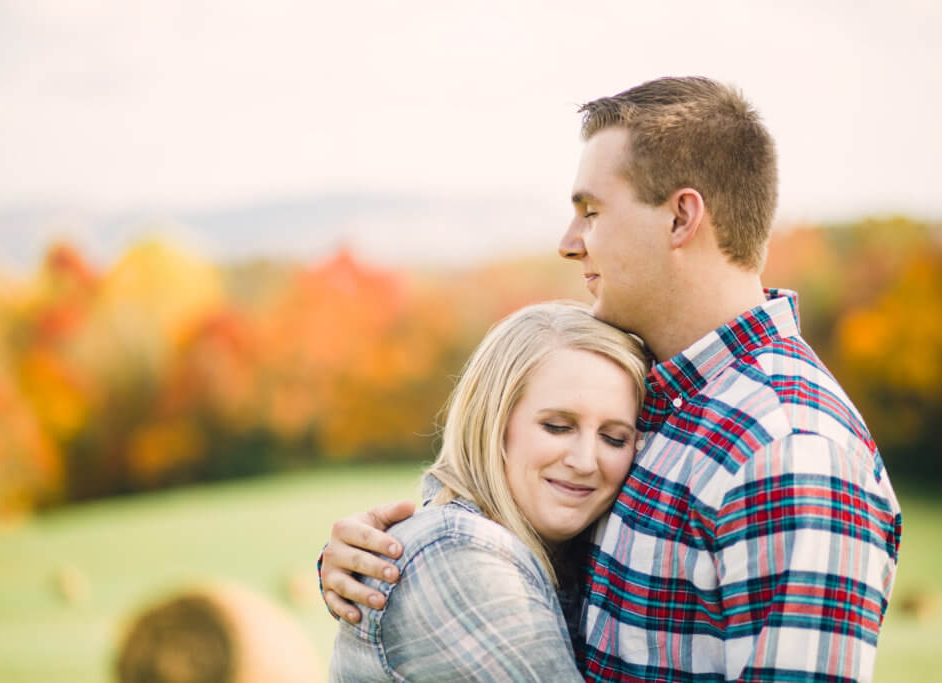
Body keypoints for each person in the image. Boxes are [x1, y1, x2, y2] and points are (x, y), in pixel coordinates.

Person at [320, 77, 903, 682]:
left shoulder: (790, 449)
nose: (569, 243)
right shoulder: (660, 399)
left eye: (592, 213)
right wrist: (387, 565)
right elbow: (522, 556)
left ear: (680, 218)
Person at [328, 301, 648, 681]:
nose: (585, 461)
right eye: (557, 427)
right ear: (493, 422)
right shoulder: (457, 553)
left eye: (614, 438)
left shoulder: (569, 554)